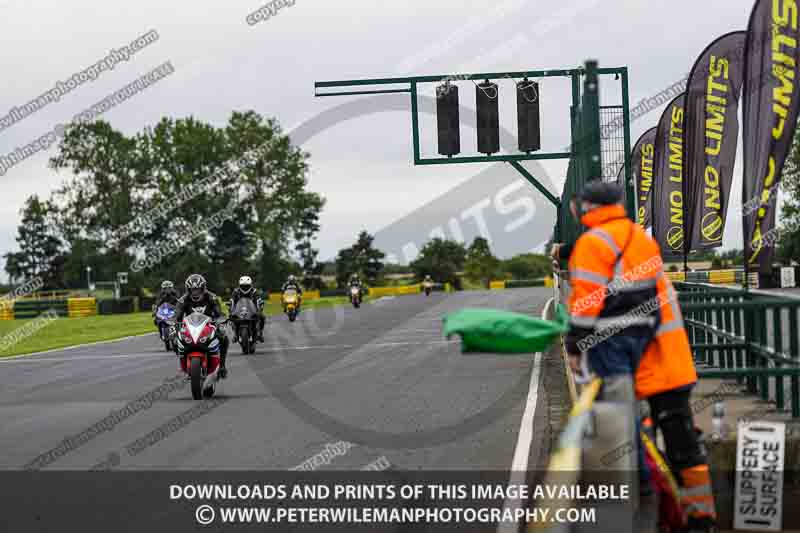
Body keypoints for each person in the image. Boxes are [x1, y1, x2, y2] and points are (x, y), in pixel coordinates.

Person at [563, 181, 715, 530]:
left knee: (623, 429)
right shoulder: (641, 240)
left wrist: (575, 343)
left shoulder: (593, 243)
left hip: (630, 355)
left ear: (586, 207)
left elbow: (587, 298)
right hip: (668, 356)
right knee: (683, 443)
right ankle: (700, 517)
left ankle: (641, 501)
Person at [174, 274, 230, 378]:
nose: (195, 292)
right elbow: (177, 314)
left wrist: (220, 319)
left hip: (209, 325)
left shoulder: (211, 297)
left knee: (224, 338)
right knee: (174, 339)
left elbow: (218, 312)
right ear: (188, 290)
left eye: (198, 289)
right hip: (189, 327)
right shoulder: (183, 300)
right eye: (193, 290)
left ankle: (222, 366)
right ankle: (183, 363)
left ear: (203, 288)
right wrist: (175, 323)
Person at [229, 275, 266, 342]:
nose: (245, 288)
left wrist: (260, 304)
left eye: (247, 286)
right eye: (243, 286)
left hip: (252, 311)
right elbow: (232, 300)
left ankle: (260, 333)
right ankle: (235, 334)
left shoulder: (254, 291)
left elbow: (258, 299)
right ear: (239, 285)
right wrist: (231, 307)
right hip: (239, 312)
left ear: (250, 285)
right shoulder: (236, 291)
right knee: (231, 318)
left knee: (262, 317)